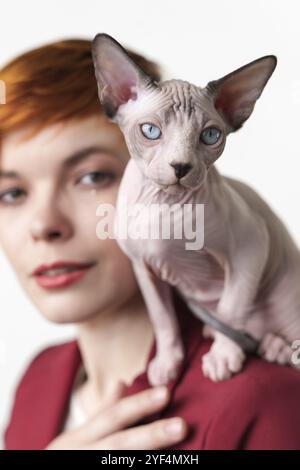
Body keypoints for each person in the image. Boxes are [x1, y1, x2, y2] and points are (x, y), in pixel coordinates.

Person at [1, 39, 300, 451]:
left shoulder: (264, 401)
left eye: (92, 177)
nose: (44, 225)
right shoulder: (39, 380)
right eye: (11, 193)